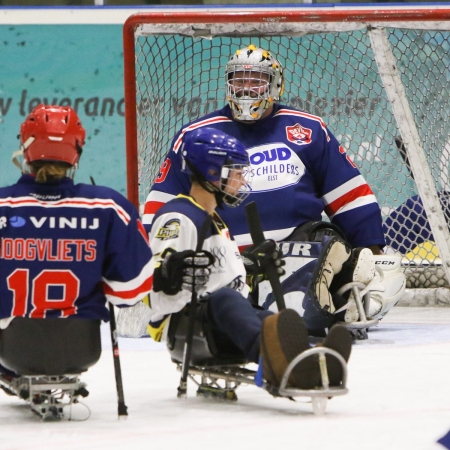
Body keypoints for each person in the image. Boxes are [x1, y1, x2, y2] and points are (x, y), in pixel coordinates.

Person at [142, 45, 404, 332]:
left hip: (296, 250)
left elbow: (349, 197)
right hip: (227, 259)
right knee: (248, 321)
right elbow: (161, 208)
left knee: (297, 315)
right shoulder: (198, 135)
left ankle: (332, 299)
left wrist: (373, 252)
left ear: (275, 85)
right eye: (239, 79)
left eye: (256, 80)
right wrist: (151, 263)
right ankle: (334, 307)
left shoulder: (307, 129)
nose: (246, 88)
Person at [147, 126, 353, 391]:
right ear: (213, 172)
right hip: (185, 330)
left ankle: (309, 360)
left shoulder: (216, 222)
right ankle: (276, 364)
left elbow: (220, 279)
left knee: (269, 319)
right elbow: (152, 279)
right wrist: (166, 271)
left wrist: (253, 267)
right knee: (227, 300)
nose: (242, 181)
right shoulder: (179, 216)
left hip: (215, 323)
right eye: (237, 172)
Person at [0, 104, 154, 391]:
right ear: (77, 151)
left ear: (25, 148)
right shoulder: (108, 207)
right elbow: (132, 290)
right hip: (81, 348)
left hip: (11, 351)